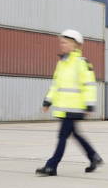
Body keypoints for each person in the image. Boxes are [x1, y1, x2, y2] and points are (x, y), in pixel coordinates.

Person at [36, 29, 103, 176]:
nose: (62, 45)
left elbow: (89, 85)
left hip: (75, 107)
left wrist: (89, 104)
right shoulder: (62, 63)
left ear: (76, 45)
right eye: (61, 42)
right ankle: (94, 156)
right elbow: (56, 85)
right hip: (64, 108)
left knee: (62, 136)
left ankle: (51, 166)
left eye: (66, 42)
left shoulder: (82, 63)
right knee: (74, 134)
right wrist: (48, 101)